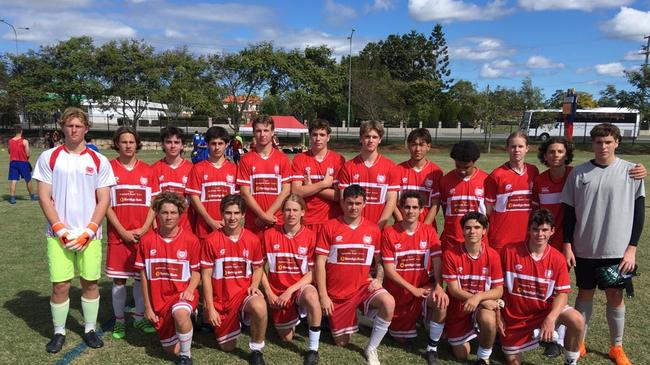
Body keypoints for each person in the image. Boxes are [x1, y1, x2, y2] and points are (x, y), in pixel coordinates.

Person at [32, 107, 115, 353]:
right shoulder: (49, 157)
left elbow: (103, 200)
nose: (74, 130)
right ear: (62, 127)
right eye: (69, 126)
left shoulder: (99, 160)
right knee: (60, 285)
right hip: (59, 236)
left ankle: (89, 329)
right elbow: (44, 197)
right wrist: (60, 229)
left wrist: (89, 231)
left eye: (78, 126)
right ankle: (59, 332)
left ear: (86, 129)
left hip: (89, 236)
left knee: (90, 283)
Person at [561, 123, 645, 365]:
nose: (603, 146)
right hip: (584, 248)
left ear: (617, 142)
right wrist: (567, 244)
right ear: (593, 144)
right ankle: (579, 341)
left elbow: (639, 213)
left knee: (615, 296)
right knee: (584, 294)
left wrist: (632, 248)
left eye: (608, 142)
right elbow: (569, 213)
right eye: (599, 142)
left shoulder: (632, 172)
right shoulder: (579, 173)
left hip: (617, 252)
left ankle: (616, 348)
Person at [315, 184, 395, 365]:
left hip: (362, 287)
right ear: (343, 203)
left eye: (358, 203)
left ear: (365, 204)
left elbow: (380, 259)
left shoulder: (373, 229)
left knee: (388, 302)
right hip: (338, 294)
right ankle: (359, 316)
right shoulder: (330, 227)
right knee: (342, 343)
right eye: (350, 203)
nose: (354, 207)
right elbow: (319, 264)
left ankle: (371, 348)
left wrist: (379, 279)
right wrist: (323, 295)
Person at [498, 209, 585, 365]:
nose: (540, 234)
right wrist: (498, 314)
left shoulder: (558, 258)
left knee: (577, 320)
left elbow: (562, 293)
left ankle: (571, 361)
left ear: (552, 231)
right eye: (536, 229)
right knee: (513, 362)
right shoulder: (509, 252)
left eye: (545, 230)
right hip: (515, 319)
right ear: (528, 229)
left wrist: (551, 318)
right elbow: (495, 285)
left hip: (544, 312)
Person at [201, 194, 268, 365]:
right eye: (228, 213)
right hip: (222, 300)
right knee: (227, 347)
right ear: (221, 214)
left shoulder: (252, 239)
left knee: (259, 306)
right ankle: (209, 316)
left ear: (244, 215)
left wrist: (254, 284)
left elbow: (258, 267)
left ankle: (256, 350)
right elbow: (206, 277)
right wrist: (210, 308)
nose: (232, 217)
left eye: (236, 213)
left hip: (244, 294)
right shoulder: (211, 240)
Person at [381, 192, 447, 365]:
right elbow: (389, 271)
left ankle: (432, 347)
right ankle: (376, 317)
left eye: (415, 207)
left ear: (421, 210)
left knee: (441, 300)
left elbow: (438, 261)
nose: (410, 211)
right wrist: (413, 290)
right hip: (399, 292)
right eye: (407, 207)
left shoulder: (429, 231)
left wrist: (439, 286)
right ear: (401, 208)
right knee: (400, 340)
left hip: (423, 288)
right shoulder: (389, 233)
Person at [106, 126, 159, 339]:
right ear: (116, 144)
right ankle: (119, 321)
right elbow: (105, 204)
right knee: (119, 280)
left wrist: (145, 229)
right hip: (118, 236)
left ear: (137, 143)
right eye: (123, 141)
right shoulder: (108, 169)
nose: (128, 145)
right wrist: (121, 230)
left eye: (131, 141)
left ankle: (138, 317)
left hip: (142, 235)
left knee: (140, 277)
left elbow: (154, 204)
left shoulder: (148, 170)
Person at [136, 192, 201, 365]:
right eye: (164, 212)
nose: (169, 217)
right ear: (156, 213)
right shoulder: (147, 241)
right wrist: (148, 307)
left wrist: (189, 290)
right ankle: (184, 326)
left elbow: (196, 272)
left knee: (180, 314)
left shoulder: (190, 240)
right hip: (159, 302)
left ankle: (186, 356)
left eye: (173, 212)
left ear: (180, 214)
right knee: (171, 350)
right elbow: (144, 276)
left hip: (181, 295)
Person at [260, 195, 322, 365]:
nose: (291, 214)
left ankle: (312, 349)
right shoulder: (269, 234)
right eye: (287, 209)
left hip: (298, 288)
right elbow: (259, 268)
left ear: (303, 212)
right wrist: (269, 292)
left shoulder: (310, 236)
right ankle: (293, 315)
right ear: (282, 212)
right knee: (286, 338)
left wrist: (290, 291)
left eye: (295, 210)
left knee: (311, 296)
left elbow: (312, 272)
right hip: (277, 291)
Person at [443, 212, 503, 364]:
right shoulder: (451, 254)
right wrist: (480, 300)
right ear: (462, 230)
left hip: (479, 305)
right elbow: (453, 290)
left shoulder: (493, 255)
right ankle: (454, 333)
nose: (472, 231)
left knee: (488, 320)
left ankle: (483, 357)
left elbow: (499, 290)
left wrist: (478, 298)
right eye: (468, 228)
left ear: (484, 230)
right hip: (459, 307)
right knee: (462, 355)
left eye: (477, 227)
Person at [337, 120, 399, 230]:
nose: (371, 140)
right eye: (367, 136)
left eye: (375, 137)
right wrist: (356, 225)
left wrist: (378, 227)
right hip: (353, 227)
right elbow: (343, 199)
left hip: (379, 228)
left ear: (380, 139)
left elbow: (391, 201)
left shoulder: (391, 167)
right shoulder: (348, 167)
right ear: (360, 138)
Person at [237, 115, 292, 236]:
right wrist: (261, 215)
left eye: (266, 130)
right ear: (254, 133)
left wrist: (267, 215)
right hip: (254, 222)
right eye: (258, 130)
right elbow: (245, 193)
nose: (262, 134)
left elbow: (286, 190)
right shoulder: (246, 160)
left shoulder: (283, 159)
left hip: (276, 221)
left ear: (273, 132)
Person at [485, 131, 539, 252]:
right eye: (513, 146)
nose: (517, 150)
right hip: (501, 239)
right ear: (507, 149)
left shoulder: (533, 171)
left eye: (520, 146)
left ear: (527, 148)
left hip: (527, 237)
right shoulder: (496, 175)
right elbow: (488, 210)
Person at [291, 118, 345, 234]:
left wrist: (310, 186)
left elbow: (338, 196)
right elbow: (296, 191)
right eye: (314, 134)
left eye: (322, 134)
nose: (318, 138)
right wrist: (323, 184)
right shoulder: (300, 159)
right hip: (305, 220)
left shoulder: (338, 159)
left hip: (331, 220)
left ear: (328, 137)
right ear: (310, 137)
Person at [186, 126, 238, 240]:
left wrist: (228, 220)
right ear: (207, 144)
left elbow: (237, 200)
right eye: (213, 143)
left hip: (228, 227)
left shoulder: (234, 169)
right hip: (204, 228)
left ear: (227, 144)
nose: (217, 147)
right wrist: (210, 221)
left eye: (220, 143)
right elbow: (194, 198)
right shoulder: (198, 168)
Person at [437, 141, 488, 250]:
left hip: (479, 242)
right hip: (452, 241)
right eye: (458, 166)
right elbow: (445, 210)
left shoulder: (486, 180)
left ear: (474, 162)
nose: (462, 170)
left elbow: (489, 213)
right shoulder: (445, 180)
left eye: (466, 167)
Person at [394, 128, 443, 225]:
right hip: (401, 229)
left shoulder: (436, 172)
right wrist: (401, 224)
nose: (417, 149)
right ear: (408, 145)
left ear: (428, 147)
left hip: (426, 229)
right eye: (414, 144)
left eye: (421, 145)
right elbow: (393, 203)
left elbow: (435, 204)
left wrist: (424, 228)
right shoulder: (398, 170)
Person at [152, 127, 194, 232]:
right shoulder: (153, 169)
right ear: (162, 144)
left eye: (177, 142)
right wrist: (154, 226)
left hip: (186, 228)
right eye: (168, 142)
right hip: (161, 229)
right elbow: (152, 203)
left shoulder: (192, 169)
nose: (173, 146)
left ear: (182, 145)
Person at [7, 125, 38, 204]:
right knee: (28, 180)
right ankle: (32, 196)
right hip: (23, 162)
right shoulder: (25, 141)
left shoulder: (10, 141)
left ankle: (12, 198)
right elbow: (27, 153)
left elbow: (9, 151)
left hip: (13, 162)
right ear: (21, 131)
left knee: (13, 180)